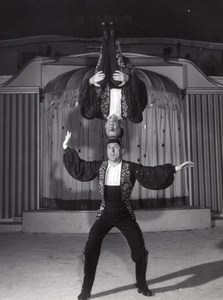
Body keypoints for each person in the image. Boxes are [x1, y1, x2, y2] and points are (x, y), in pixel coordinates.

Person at [62, 131, 194, 300]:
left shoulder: (131, 168)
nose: (112, 151)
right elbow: (80, 167)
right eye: (109, 148)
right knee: (90, 248)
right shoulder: (100, 167)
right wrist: (66, 147)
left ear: (122, 150)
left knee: (140, 251)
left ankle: (142, 284)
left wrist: (175, 168)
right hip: (105, 213)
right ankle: (86, 290)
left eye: (115, 148)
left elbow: (151, 173)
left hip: (125, 214)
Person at [78, 21, 148, 126]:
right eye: (114, 128)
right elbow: (141, 90)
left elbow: (83, 102)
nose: (112, 125)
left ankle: (106, 38)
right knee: (117, 80)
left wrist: (91, 81)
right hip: (120, 71)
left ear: (105, 126)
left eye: (109, 129)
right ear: (120, 127)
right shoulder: (129, 113)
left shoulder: (98, 113)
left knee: (101, 80)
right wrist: (128, 79)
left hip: (104, 72)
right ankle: (112, 36)